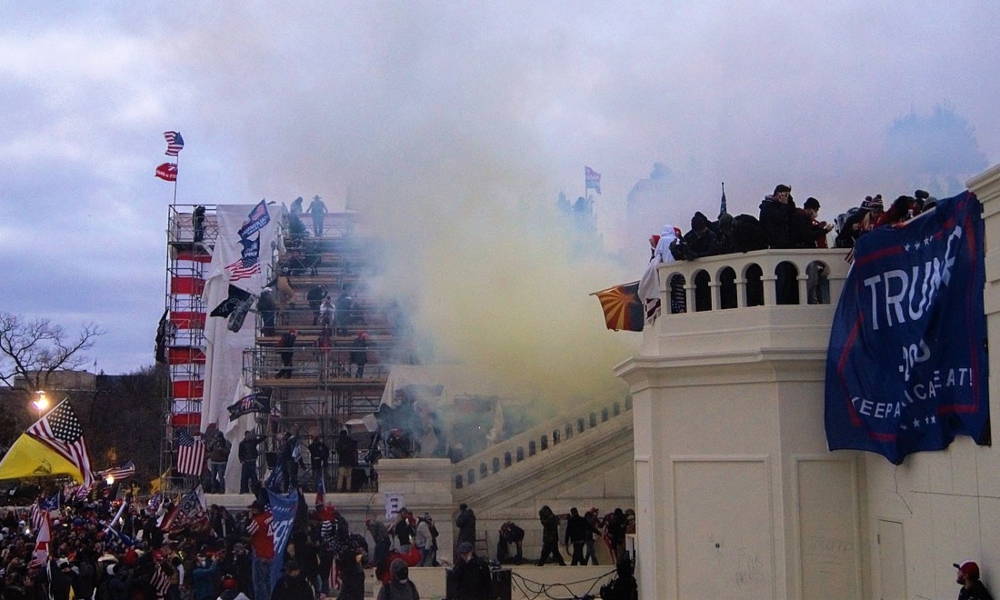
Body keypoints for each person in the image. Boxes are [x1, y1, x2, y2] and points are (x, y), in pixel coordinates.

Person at [246, 500, 275, 600]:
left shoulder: (257, 521)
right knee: (268, 580)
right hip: (271, 553)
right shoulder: (270, 516)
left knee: (259, 582)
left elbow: (248, 531)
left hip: (260, 554)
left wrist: (249, 519)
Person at [758, 184, 796, 249]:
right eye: (785, 195)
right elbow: (780, 218)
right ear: (779, 194)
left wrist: (790, 201)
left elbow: (792, 213)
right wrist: (784, 204)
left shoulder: (781, 206)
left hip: (783, 242)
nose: (787, 197)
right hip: (773, 243)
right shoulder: (767, 206)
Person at [206, 426, 231, 493]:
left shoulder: (224, 444)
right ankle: (213, 489)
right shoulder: (214, 443)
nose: (218, 439)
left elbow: (227, 452)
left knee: (221, 477)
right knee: (213, 477)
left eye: (219, 438)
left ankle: (222, 489)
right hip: (213, 462)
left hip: (221, 463)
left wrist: (221, 449)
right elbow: (209, 449)